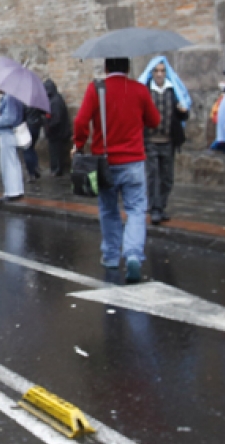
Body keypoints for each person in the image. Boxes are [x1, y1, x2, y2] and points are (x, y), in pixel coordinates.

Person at [73, 57, 160, 284]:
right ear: (129, 68)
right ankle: (132, 254)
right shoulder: (140, 90)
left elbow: (81, 122)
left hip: (105, 162)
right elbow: (154, 120)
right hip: (133, 162)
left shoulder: (96, 89)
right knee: (136, 209)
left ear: (106, 68)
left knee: (109, 209)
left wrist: (79, 144)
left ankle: (111, 256)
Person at [140, 58, 190, 225]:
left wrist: (183, 112)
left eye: (162, 71)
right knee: (153, 175)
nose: (160, 74)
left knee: (167, 177)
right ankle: (154, 208)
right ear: (151, 73)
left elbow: (182, 115)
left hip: (168, 141)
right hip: (150, 140)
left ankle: (161, 205)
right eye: (156, 71)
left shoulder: (173, 91)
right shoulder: (146, 91)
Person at [0, 92, 26, 201]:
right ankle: (17, 190)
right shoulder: (14, 96)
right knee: (13, 163)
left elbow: (9, 118)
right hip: (10, 134)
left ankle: (12, 192)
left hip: (7, 134)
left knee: (8, 164)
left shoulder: (10, 97)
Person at [42, 79, 71, 176]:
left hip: (57, 132)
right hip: (57, 132)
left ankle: (57, 170)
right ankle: (55, 169)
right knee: (55, 151)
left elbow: (56, 118)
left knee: (56, 152)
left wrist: (49, 126)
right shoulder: (55, 99)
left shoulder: (55, 101)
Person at [22, 105, 44, 181]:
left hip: (28, 127)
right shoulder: (36, 101)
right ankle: (35, 167)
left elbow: (22, 115)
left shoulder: (24, 102)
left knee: (27, 149)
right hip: (36, 126)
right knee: (31, 147)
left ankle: (31, 173)